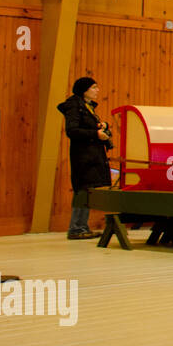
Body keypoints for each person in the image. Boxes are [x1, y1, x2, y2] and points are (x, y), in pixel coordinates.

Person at [57, 77, 113, 239]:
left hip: (91, 155)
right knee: (82, 189)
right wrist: (95, 134)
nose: (97, 90)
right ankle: (76, 228)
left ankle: (81, 226)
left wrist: (100, 126)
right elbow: (72, 130)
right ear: (84, 90)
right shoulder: (75, 106)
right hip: (83, 156)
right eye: (94, 87)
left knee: (87, 189)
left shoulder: (87, 107)